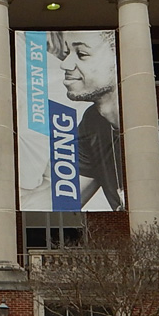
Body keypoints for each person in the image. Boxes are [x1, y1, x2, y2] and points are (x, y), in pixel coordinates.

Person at [53, 30, 126, 211]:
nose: (65, 64)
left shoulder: (142, 127)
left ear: (119, 61)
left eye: (82, 54)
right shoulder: (93, 122)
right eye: (66, 53)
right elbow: (63, 201)